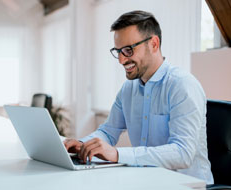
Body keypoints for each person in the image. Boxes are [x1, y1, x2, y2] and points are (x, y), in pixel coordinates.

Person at [64, 10, 214, 184]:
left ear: (154, 44)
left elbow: (183, 153)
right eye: (118, 51)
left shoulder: (182, 85)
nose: (121, 60)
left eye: (128, 50)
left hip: (186, 184)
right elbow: (108, 131)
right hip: (146, 181)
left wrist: (117, 154)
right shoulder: (128, 89)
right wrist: (83, 144)